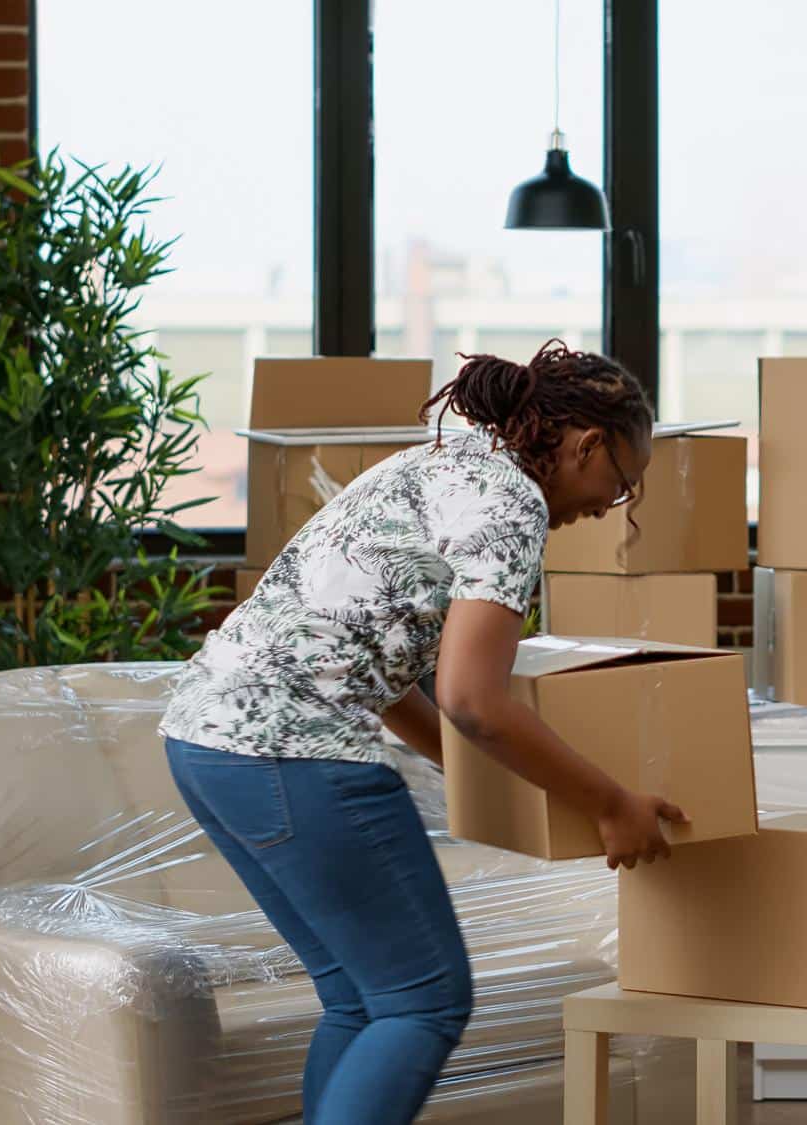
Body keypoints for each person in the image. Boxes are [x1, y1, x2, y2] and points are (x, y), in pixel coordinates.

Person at [157, 340, 686, 1124]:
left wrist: (475, 775)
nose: (609, 504)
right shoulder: (513, 506)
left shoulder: (442, 463)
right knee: (424, 999)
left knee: (362, 999)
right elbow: (473, 697)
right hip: (294, 749)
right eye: (621, 481)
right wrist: (611, 801)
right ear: (585, 444)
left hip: (205, 737)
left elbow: (390, 669)